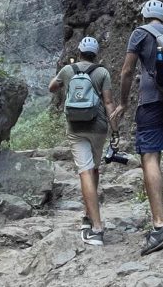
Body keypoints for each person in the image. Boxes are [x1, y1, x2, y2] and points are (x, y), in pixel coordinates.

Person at [119, 0, 163, 256]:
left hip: (150, 103)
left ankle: (160, 226)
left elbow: (126, 72)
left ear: (145, 15)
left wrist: (124, 103)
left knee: (150, 157)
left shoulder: (140, 33)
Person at [48, 37, 122, 246]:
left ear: (79, 51)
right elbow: (108, 103)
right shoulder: (102, 72)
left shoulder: (68, 70)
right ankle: (89, 216)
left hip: (75, 128)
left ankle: (96, 227)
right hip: (98, 127)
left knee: (85, 171)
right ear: (95, 53)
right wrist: (115, 131)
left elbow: (52, 87)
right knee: (93, 170)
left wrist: (67, 77)